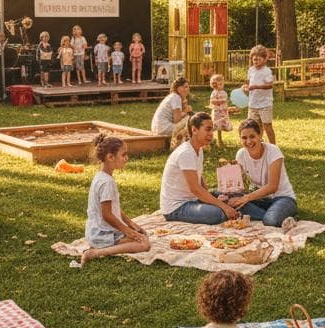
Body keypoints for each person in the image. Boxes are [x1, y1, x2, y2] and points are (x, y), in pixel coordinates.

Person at [80, 134, 149, 265]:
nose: (126, 158)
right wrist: (129, 232)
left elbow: (112, 208)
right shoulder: (107, 183)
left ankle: (100, 248)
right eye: (123, 155)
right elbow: (107, 215)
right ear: (110, 157)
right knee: (144, 243)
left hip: (96, 232)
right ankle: (94, 253)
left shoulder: (101, 176)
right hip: (101, 235)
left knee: (142, 236)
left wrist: (131, 224)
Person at [161, 113, 236, 225]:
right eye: (208, 129)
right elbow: (195, 189)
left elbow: (199, 177)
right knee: (217, 213)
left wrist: (213, 197)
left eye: (212, 130)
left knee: (229, 193)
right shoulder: (185, 153)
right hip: (176, 208)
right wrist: (222, 205)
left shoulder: (198, 149)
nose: (211, 134)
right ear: (194, 130)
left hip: (193, 200)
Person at [231, 119, 298, 229]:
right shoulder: (241, 154)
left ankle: (277, 214)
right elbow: (241, 187)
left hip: (282, 197)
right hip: (260, 198)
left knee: (271, 220)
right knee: (230, 202)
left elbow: (273, 187)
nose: (248, 141)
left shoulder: (273, 151)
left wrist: (246, 198)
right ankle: (276, 213)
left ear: (260, 134)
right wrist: (233, 179)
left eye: (252, 136)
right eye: (244, 138)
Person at [242, 44, 276, 144]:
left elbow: (270, 86)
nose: (256, 62)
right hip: (253, 104)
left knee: (267, 125)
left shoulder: (266, 71)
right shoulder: (251, 70)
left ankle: (273, 146)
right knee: (253, 126)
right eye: (254, 59)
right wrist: (245, 87)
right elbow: (249, 84)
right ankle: (258, 144)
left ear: (265, 59)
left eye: (258, 59)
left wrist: (256, 86)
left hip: (265, 104)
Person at [209, 74, 234, 148]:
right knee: (217, 125)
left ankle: (220, 140)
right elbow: (212, 101)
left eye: (222, 84)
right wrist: (220, 101)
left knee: (221, 126)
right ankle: (218, 141)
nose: (221, 86)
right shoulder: (214, 93)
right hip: (217, 112)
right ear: (214, 85)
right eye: (219, 84)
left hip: (223, 112)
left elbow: (225, 102)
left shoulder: (223, 92)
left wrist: (228, 108)